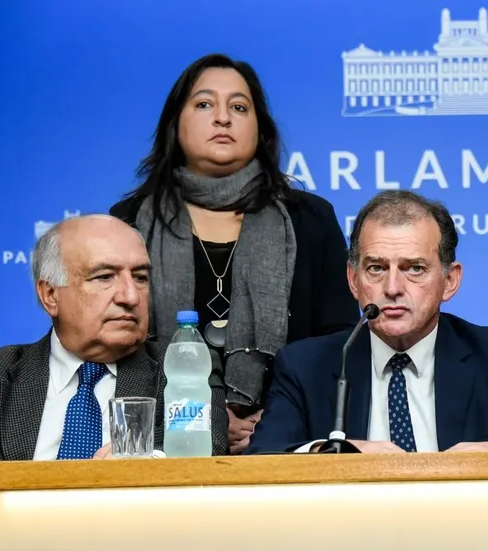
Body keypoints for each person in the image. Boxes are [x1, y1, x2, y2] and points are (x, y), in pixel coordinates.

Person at [109, 53, 358, 455]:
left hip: (290, 437)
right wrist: (205, 420)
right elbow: (116, 344)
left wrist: (278, 416)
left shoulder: (310, 219)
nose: (223, 118)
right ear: (176, 125)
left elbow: (338, 343)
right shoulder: (130, 221)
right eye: (204, 104)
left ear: (261, 130)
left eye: (239, 107)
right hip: (165, 439)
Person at [247, 190, 488, 454]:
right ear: (353, 280)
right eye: (376, 268)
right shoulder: (305, 365)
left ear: (450, 280)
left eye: (415, 268)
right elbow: (261, 464)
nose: (393, 288)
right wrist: (331, 453)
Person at [0, 216, 229, 463]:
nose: (130, 297)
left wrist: (146, 464)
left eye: (140, 277)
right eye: (105, 277)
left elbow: (205, 455)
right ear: (50, 295)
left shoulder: (180, 369)